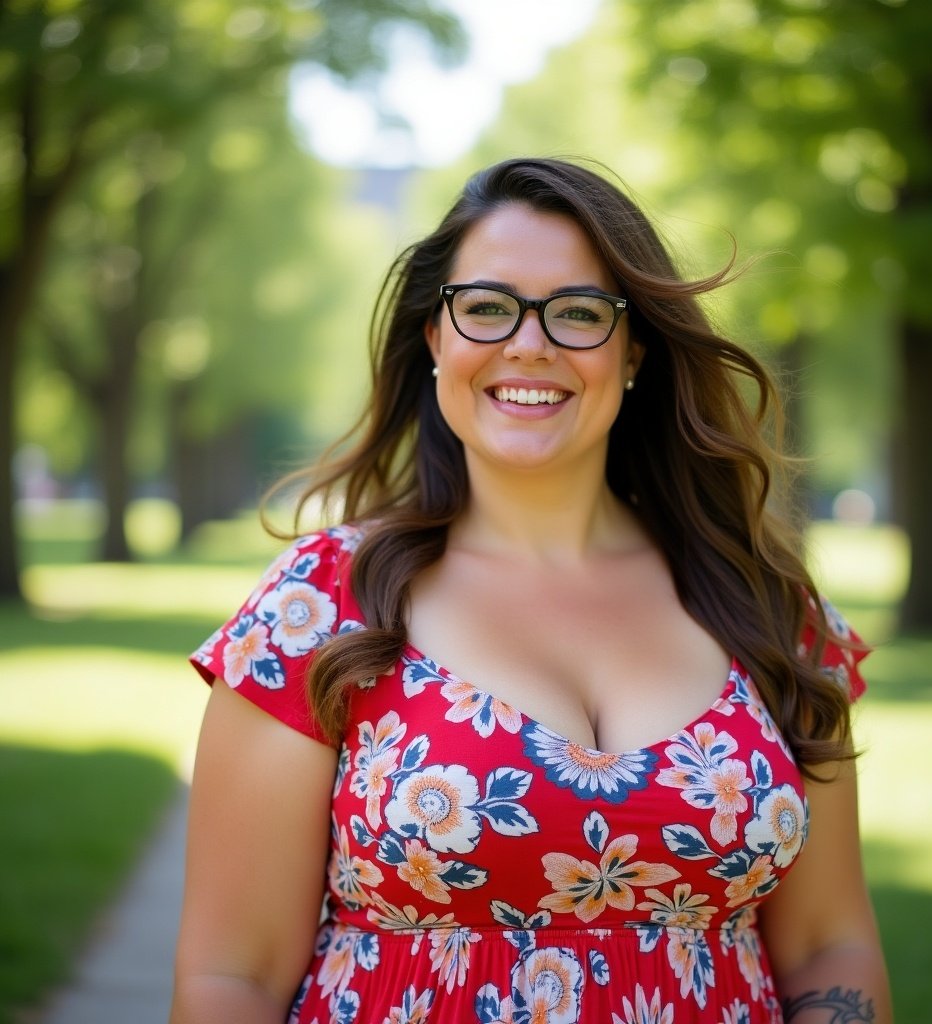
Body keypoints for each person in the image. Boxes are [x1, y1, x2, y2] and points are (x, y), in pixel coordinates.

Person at [170, 157, 891, 1024]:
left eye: (580, 313)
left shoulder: (769, 608)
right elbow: (232, 975)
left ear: (634, 353)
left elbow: (828, 947)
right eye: (486, 307)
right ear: (436, 338)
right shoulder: (320, 605)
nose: (528, 344)